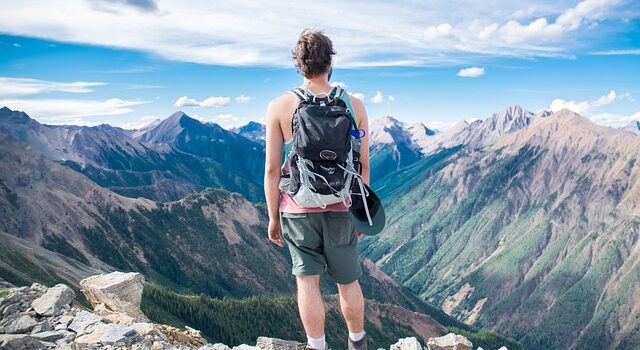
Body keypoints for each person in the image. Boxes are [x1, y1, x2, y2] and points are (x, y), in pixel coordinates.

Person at [264, 29, 370, 350]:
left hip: (297, 210)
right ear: (330, 61)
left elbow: (271, 170)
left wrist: (273, 217)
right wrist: (362, 212)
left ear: (299, 64)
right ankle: (357, 343)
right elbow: (363, 165)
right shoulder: (353, 105)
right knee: (347, 282)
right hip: (342, 206)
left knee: (307, 282)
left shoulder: (280, 106)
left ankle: (317, 345)